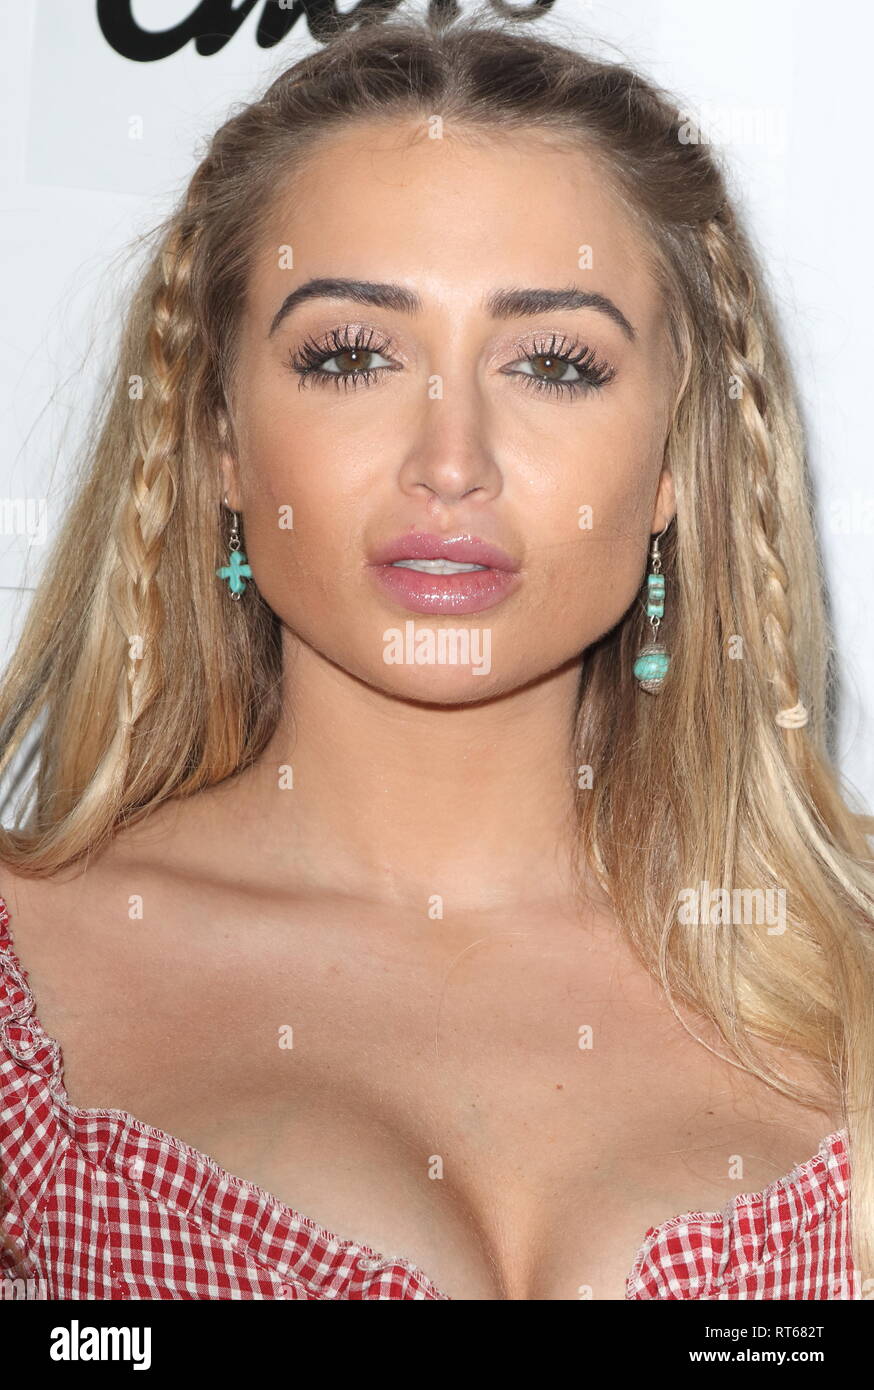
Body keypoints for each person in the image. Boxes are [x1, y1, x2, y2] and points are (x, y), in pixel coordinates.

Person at [1, 9, 872, 1302]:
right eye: (352, 355)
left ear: (674, 462)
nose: (450, 461)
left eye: (553, 364)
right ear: (220, 440)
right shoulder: (26, 981)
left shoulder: (852, 963)